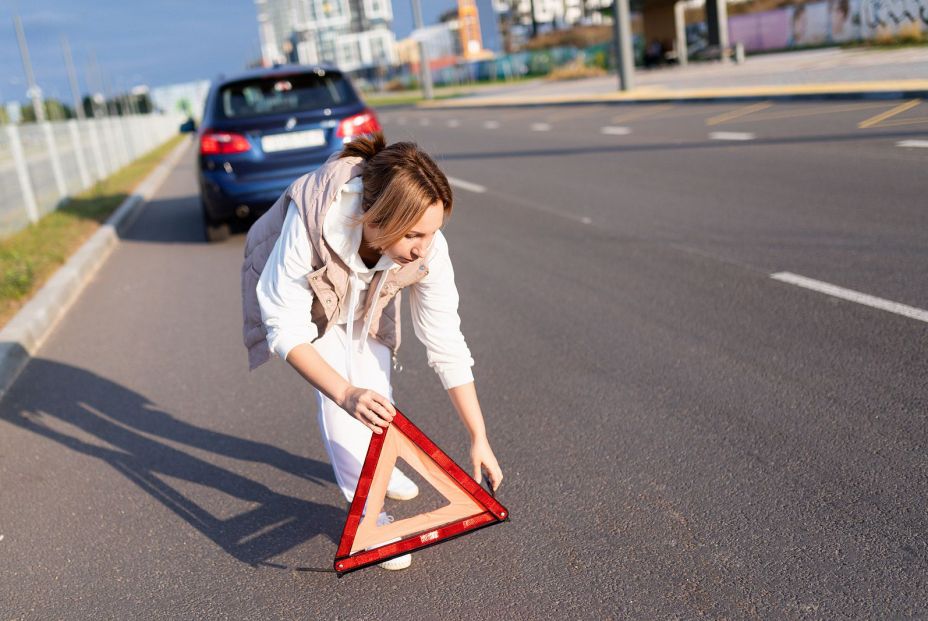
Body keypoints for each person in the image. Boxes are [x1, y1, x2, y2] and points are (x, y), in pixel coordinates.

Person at [241, 132, 503, 571]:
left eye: (433, 232)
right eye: (415, 235)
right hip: (309, 299)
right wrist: (344, 394)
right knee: (347, 400)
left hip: (366, 290)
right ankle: (369, 518)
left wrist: (479, 436)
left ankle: (378, 463)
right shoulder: (313, 220)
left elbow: (445, 340)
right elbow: (285, 329)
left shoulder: (425, 247)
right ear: (376, 217)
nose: (426, 247)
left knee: (376, 385)